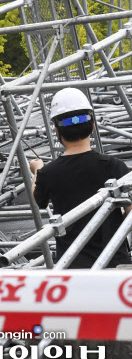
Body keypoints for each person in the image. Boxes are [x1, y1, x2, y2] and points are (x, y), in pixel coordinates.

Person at [30, 87, 131, 269]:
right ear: (92, 126)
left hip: (73, 265)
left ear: (57, 131)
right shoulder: (114, 166)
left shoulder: (49, 173)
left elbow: (39, 200)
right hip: (115, 261)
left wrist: (37, 170)